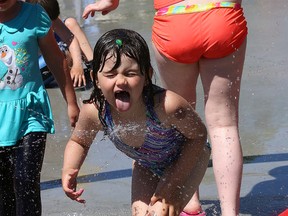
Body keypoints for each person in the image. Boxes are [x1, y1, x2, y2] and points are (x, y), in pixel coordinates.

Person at [82, 1, 248, 216]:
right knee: (224, 125)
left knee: (177, 122)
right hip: (222, 14)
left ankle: (190, 206)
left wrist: (110, 2)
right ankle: (230, 213)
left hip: (175, 19)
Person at [61, 28, 211, 216]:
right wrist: (69, 169)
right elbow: (79, 141)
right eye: (110, 75)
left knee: (161, 211)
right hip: (146, 163)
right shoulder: (95, 112)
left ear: (147, 76)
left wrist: (172, 185)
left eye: (130, 74)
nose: (121, 81)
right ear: (95, 79)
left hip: (188, 157)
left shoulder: (167, 106)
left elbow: (198, 137)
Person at [0, 0, 80, 215]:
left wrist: (71, 102)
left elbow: (56, 58)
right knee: (3, 192)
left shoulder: (35, 15)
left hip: (30, 112)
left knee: (25, 182)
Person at [27, 0, 94, 89]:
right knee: (60, 53)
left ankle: (94, 67)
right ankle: (73, 77)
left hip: (52, 58)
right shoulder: (25, 22)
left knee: (70, 23)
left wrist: (78, 65)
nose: (50, 25)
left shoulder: (45, 11)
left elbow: (70, 39)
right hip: (34, 71)